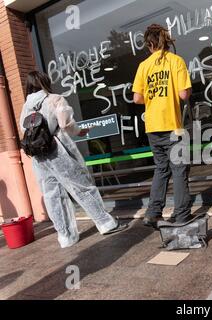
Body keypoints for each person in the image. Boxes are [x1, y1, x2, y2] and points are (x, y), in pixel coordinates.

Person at [19, 71, 128, 249]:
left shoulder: (26, 107)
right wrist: (79, 131)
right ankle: (105, 223)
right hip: (57, 150)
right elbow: (65, 124)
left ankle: (66, 236)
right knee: (81, 186)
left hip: (39, 156)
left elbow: (23, 129)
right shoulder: (54, 99)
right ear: (45, 82)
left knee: (52, 195)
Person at [132, 24, 193, 228]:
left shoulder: (143, 66)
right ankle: (182, 216)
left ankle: (153, 212)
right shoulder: (176, 61)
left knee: (161, 169)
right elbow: (183, 94)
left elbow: (137, 98)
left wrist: (153, 96)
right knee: (179, 170)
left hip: (152, 126)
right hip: (172, 125)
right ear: (165, 41)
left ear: (150, 44)